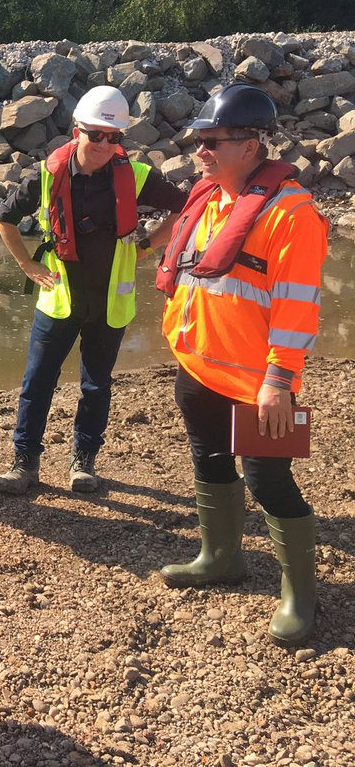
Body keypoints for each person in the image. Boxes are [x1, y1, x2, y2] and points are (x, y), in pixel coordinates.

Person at [156, 83, 328, 645]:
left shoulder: (291, 215)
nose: (200, 150)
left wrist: (280, 381)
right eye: (198, 139)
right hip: (200, 368)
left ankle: (300, 595)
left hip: (260, 382)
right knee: (208, 459)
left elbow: (298, 306)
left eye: (213, 141)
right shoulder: (211, 198)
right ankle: (219, 557)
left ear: (252, 144)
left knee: (268, 479)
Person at [0, 85, 189, 494]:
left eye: (113, 136)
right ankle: (24, 463)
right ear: (77, 130)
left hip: (108, 302)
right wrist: (27, 265)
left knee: (96, 385)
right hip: (59, 299)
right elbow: (4, 217)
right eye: (95, 134)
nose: (102, 143)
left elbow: (185, 208)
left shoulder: (134, 175)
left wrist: (148, 246)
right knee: (36, 383)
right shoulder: (48, 175)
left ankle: (84, 462)